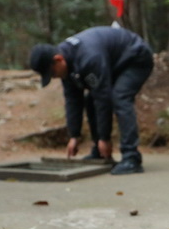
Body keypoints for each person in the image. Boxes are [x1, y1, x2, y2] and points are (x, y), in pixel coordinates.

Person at [29, 25, 154, 175]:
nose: (54, 77)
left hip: (136, 58)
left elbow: (103, 98)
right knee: (91, 100)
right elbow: (73, 101)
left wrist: (105, 138)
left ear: (58, 60)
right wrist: (74, 135)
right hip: (114, 63)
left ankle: (131, 158)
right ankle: (99, 151)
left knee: (119, 97)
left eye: (53, 73)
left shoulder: (88, 59)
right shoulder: (67, 65)